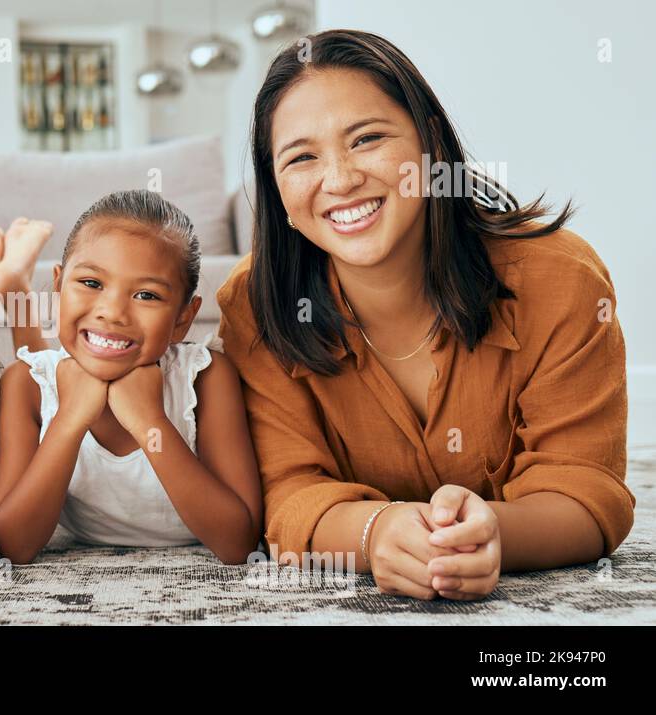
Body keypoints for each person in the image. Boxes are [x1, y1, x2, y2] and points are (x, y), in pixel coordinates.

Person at [217, 29, 634, 600]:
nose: (339, 180)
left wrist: (494, 535)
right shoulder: (255, 305)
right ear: (276, 189)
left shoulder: (561, 280)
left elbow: (587, 491)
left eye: (367, 139)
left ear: (429, 144)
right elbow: (288, 495)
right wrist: (374, 532)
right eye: (302, 157)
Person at [0, 190, 263, 565]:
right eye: (91, 283)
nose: (112, 312)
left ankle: (14, 285)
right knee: (41, 360)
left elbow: (239, 543)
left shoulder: (205, 377)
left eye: (146, 295)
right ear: (58, 285)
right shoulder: (24, 385)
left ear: (184, 317)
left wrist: (149, 421)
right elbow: (14, 545)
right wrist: (70, 419)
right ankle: (14, 286)